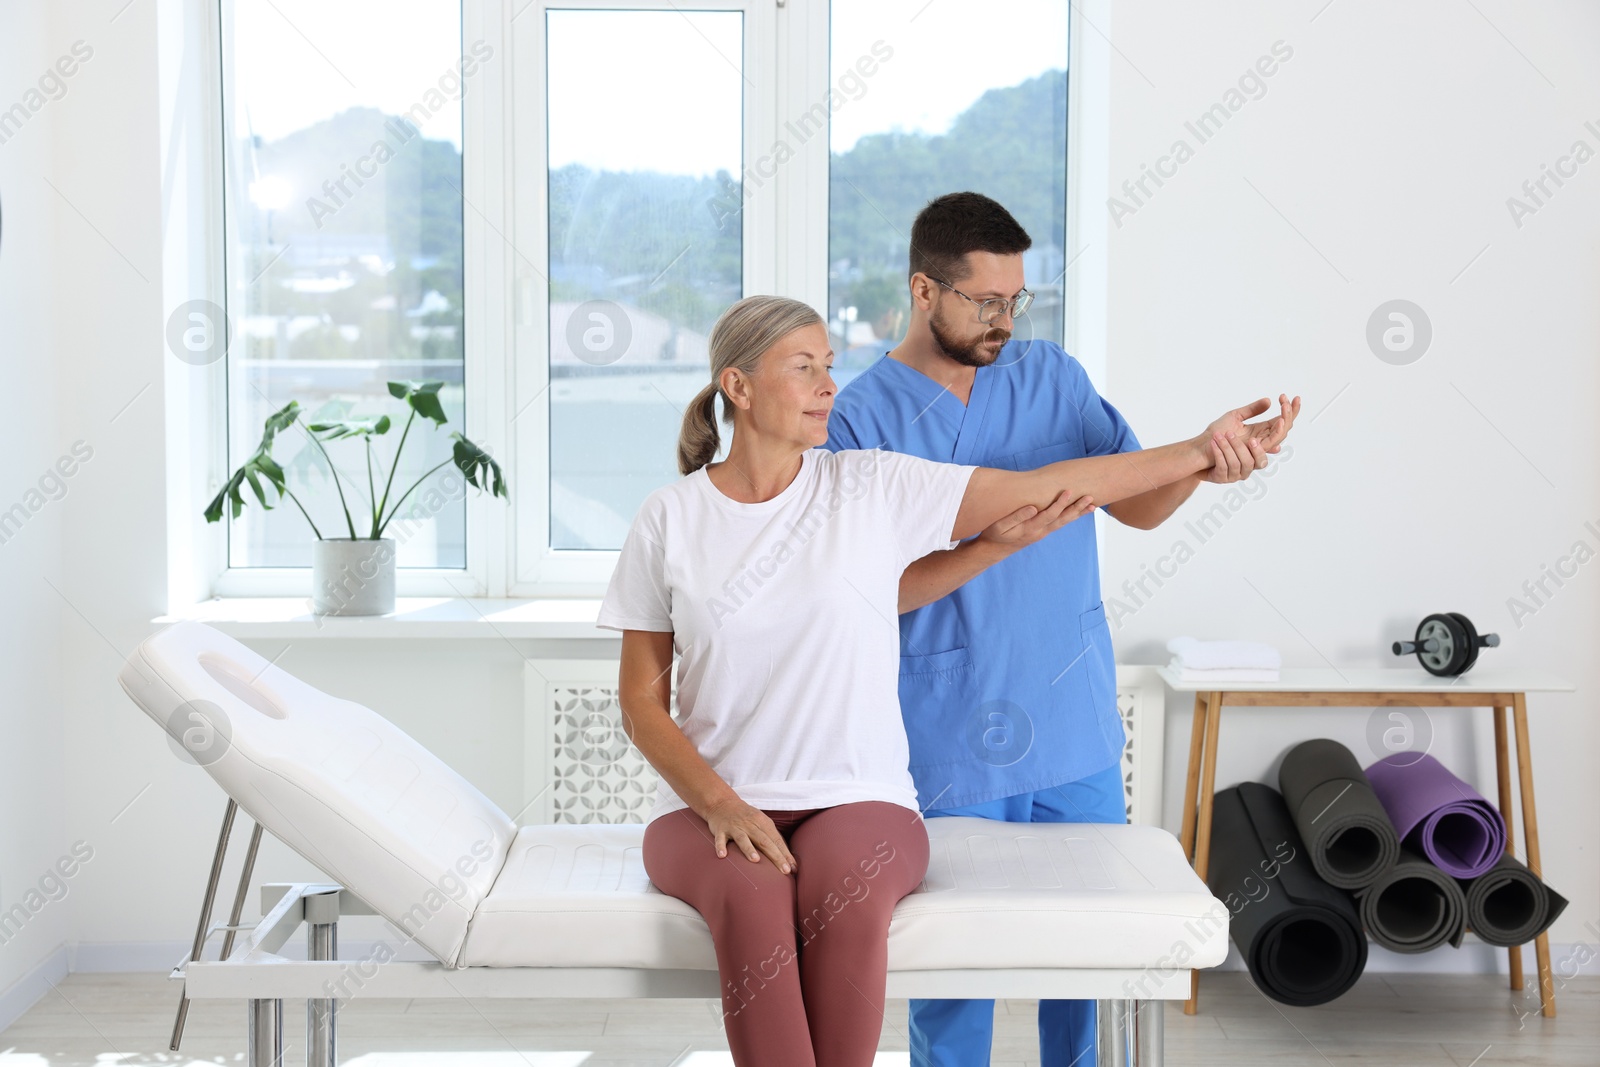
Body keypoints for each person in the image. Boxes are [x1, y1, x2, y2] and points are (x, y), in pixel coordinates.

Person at [597, 293, 1295, 1067]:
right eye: (805, 368)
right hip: (708, 806)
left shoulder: (867, 485)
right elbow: (639, 701)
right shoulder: (669, 518)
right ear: (739, 384)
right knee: (752, 899)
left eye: (830, 365)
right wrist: (721, 802)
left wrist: (1201, 451)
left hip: (857, 795)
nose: (830, 384)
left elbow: (1058, 482)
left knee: (851, 899)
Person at [820, 191, 1301, 1067]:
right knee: (954, 968)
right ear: (924, 291)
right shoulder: (859, 416)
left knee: (1092, 958)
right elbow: (861, 589)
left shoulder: (1053, 377)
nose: (1006, 320)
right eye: (985, 302)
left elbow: (1142, 505)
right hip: (948, 728)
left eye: (1017, 300)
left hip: (1070, 719)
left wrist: (1207, 466)